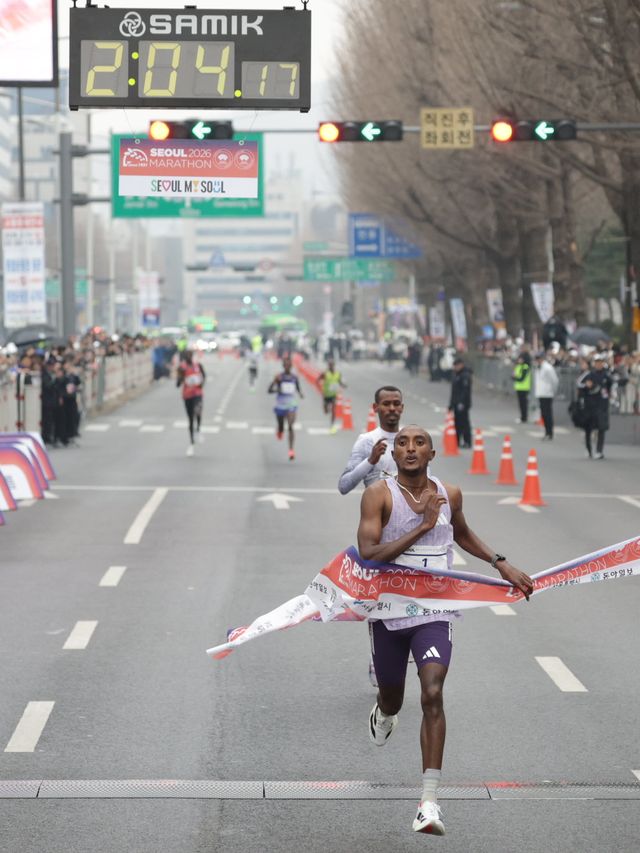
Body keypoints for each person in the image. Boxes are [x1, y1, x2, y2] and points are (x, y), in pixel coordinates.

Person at [357, 425, 533, 836]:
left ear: (432, 454)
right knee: (394, 698)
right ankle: (384, 712)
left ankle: (429, 802)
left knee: (433, 692)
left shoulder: (448, 494)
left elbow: (461, 533)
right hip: (389, 610)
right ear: (394, 455)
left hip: (436, 610)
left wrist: (500, 561)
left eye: (419, 443)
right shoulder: (379, 495)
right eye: (403, 443)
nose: (411, 448)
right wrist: (421, 526)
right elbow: (368, 553)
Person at [338, 386, 404, 495]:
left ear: (402, 407)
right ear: (375, 407)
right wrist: (370, 461)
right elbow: (344, 486)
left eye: (396, 404)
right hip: (376, 511)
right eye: (386, 404)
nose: (392, 408)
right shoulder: (367, 441)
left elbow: (427, 483)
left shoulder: (413, 441)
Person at [577, 353, 612, 459]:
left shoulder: (606, 375)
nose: (598, 364)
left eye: (600, 362)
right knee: (588, 428)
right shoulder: (589, 374)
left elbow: (610, 387)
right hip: (590, 405)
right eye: (597, 362)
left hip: (601, 405)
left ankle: (599, 451)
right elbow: (579, 384)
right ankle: (588, 449)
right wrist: (587, 386)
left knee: (601, 428)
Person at [268, 356, 304, 461]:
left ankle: (291, 450)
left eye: (289, 365)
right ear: (283, 366)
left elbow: (298, 388)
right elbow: (269, 390)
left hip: (291, 405)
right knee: (281, 427)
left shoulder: (294, 377)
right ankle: (280, 431)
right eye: (286, 365)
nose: (288, 366)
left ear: (291, 366)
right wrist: (277, 390)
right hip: (280, 405)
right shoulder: (279, 377)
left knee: (291, 426)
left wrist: (301, 394)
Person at [176, 350, 206, 457]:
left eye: (190, 355)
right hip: (187, 395)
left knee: (198, 411)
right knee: (190, 418)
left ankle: (198, 429)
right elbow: (178, 384)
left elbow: (204, 377)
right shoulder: (182, 368)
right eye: (187, 356)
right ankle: (191, 440)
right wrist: (181, 376)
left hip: (197, 393)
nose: (189, 358)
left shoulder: (198, 366)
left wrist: (200, 383)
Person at [533, 351, 559, 440]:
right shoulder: (538, 367)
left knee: (548, 414)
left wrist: (552, 391)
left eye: (539, 359)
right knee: (544, 414)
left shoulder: (548, 368)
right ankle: (546, 432)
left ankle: (550, 432)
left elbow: (554, 380)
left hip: (547, 394)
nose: (537, 360)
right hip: (541, 393)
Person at [316, 358, 347, 434]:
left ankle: (332, 425)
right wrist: (320, 388)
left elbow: (339, 382)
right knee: (326, 411)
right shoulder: (325, 373)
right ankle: (326, 408)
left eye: (332, 365)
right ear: (328, 366)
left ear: (334, 365)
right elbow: (317, 380)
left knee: (333, 410)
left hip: (333, 395)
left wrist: (343, 385)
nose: (331, 366)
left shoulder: (338, 374)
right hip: (326, 395)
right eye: (330, 365)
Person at [448, 357, 472, 448]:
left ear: (461, 365)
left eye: (456, 366)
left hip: (463, 404)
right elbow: (454, 392)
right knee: (457, 423)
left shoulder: (465, 375)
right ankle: (457, 441)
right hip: (456, 403)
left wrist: (461, 403)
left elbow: (465, 391)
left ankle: (467, 441)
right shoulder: (456, 375)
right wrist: (451, 404)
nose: (455, 368)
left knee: (464, 423)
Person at [512, 352, 532, 423]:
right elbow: (514, 375)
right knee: (521, 403)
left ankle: (524, 417)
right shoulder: (518, 366)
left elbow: (522, 378)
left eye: (520, 359)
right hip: (519, 387)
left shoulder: (525, 367)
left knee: (524, 404)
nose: (519, 360)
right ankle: (522, 417)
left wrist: (515, 378)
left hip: (524, 388)